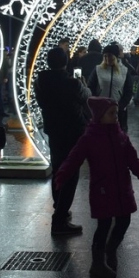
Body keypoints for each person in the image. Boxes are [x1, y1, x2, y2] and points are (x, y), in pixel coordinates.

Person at [53, 97, 139, 278]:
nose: (116, 117)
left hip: (122, 189)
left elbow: (133, 161)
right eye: (111, 114)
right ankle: (97, 263)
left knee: (124, 221)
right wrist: (62, 175)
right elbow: (74, 158)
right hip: (102, 191)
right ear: (99, 116)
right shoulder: (89, 138)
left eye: (116, 113)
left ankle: (110, 250)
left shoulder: (121, 136)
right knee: (103, 227)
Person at [35, 47, 90, 236]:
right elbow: (86, 98)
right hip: (72, 130)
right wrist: (82, 84)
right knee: (71, 174)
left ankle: (59, 208)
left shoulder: (41, 82)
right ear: (66, 62)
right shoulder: (71, 83)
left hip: (53, 129)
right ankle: (60, 219)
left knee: (58, 169)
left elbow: (42, 103)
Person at [87, 44, 134, 132]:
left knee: (117, 135)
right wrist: (96, 101)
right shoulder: (98, 69)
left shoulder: (124, 70)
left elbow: (129, 90)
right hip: (101, 109)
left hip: (118, 109)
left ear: (116, 57)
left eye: (110, 56)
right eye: (105, 56)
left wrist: (121, 105)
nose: (107, 58)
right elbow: (91, 86)